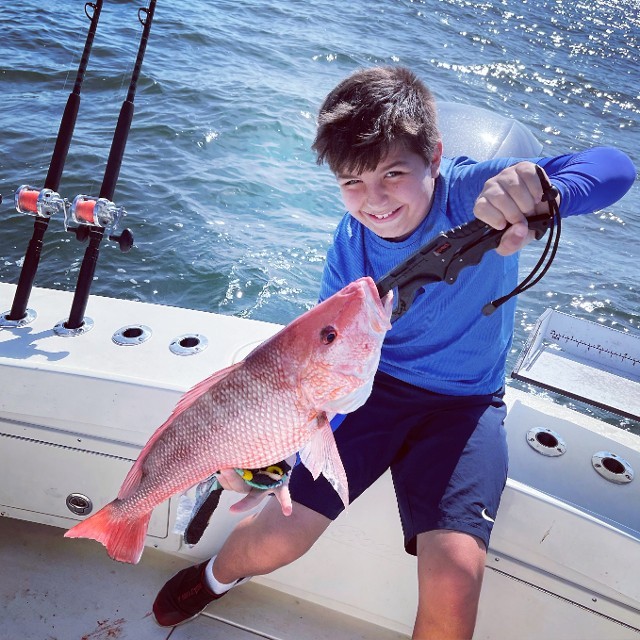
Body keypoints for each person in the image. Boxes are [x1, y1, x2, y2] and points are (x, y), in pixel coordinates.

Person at [152, 66, 635, 638]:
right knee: (281, 536)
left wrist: (547, 191)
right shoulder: (348, 245)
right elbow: (319, 363)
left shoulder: (470, 190)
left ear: (434, 155)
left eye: (394, 173)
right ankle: (215, 577)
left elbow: (615, 166)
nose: (374, 200)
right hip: (371, 393)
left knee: (455, 576)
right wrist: (269, 449)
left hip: (465, 405)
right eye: (351, 182)